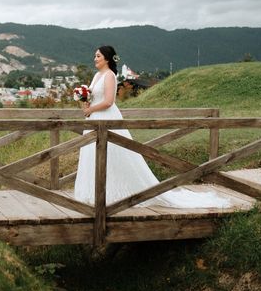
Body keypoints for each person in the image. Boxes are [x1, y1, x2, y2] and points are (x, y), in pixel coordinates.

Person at [74, 45, 231, 208]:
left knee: (115, 155)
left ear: (107, 58)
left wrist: (90, 109)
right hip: (93, 120)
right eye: (95, 56)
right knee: (92, 154)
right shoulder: (96, 75)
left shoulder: (109, 76)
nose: (95, 59)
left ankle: (116, 194)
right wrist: (83, 99)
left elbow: (108, 101)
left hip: (107, 119)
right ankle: (94, 193)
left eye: (98, 56)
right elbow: (92, 95)